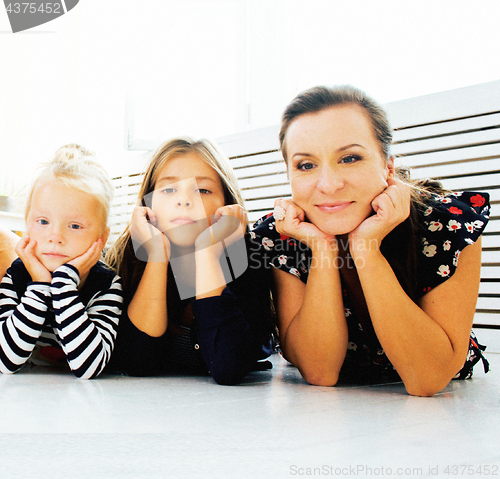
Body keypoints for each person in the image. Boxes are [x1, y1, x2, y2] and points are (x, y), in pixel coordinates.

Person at [251, 85, 490, 396]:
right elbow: (319, 370)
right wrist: (323, 248)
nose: (329, 184)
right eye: (306, 165)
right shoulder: (284, 235)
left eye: (350, 158)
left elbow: (428, 378)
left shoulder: (446, 224)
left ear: (387, 166)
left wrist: (366, 248)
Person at [106, 137, 273, 385]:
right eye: (169, 190)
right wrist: (157, 256)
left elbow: (229, 366)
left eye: (202, 190)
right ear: (147, 204)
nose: (184, 201)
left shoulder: (249, 255)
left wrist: (207, 253)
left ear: (226, 204)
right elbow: (136, 362)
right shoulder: (129, 254)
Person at [0, 144, 123, 379]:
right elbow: (5, 362)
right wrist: (39, 285)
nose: (55, 236)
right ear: (27, 225)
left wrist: (63, 284)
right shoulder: (17, 276)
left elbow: (89, 368)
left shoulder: (105, 285)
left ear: (102, 237)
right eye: (43, 221)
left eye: (75, 226)